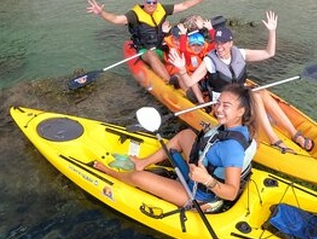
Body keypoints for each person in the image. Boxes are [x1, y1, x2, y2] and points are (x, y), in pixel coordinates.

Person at [93, 84, 258, 211]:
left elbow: (231, 192)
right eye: (218, 103)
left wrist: (206, 179)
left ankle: (110, 173)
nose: (218, 109)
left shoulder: (232, 148)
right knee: (186, 134)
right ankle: (143, 162)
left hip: (201, 194)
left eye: (226, 106)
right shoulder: (233, 127)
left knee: (138, 178)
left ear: (240, 112)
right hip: (199, 168)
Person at [170, 11, 314, 152]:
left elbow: (269, 53)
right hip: (223, 103)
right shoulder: (209, 61)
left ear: (230, 42)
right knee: (255, 95)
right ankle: (274, 140)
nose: (219, 47)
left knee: (261, 92)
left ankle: (295, 134)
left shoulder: (240, 53)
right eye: (217, 43)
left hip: (241, 96)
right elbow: (189, 83)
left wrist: (272, 31)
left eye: (223, 43)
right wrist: (182, 69)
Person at [85, 0, 218, 82]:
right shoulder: (134, 15)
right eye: (148, 2)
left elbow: (184, 5)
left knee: (181, 45)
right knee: (150, 54)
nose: (151, 4)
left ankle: (196, 74)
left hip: (162, 44)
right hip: (145, 49)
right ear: (144, 2)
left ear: (157, 2)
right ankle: (169, 81)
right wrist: (101, 13)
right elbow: (116, 19)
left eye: (154, 2)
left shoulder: (162, 9)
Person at [163, 15, 215, 102]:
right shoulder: (187, 52)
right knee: (192, 81)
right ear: (190, 45)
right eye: (193, 45)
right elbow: (183, 49)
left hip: (203, 78)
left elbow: (214, 43)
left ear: (203, 45)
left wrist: (210, 29)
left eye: (199, 45)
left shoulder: (205, 49)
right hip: (190, 77)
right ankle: (200, 102)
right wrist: (183, 35)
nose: (196, 48)